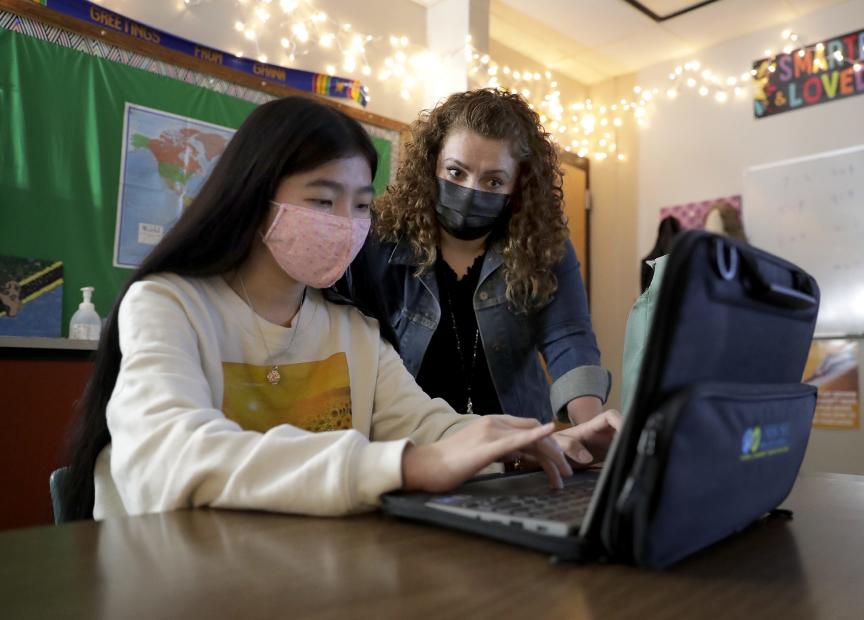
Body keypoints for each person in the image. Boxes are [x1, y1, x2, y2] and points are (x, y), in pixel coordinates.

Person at [60, 96, 621, 521]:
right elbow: (169, 459)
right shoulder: (167, 306)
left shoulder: (350, 328)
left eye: (359, 205)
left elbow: (428, 423)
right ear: (254, 197)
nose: (348, 227)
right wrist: (404, 465)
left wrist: (533, 445)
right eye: (323, 201)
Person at [352, 88, 610, 425]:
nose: (472, 191)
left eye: (493, 181)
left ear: (518, 184)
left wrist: (590, 425)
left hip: (518, 448)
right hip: (413, 443)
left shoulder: (544, 243)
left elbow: (568, 335)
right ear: (432, 163)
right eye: (456, 173)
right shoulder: (380, 240)